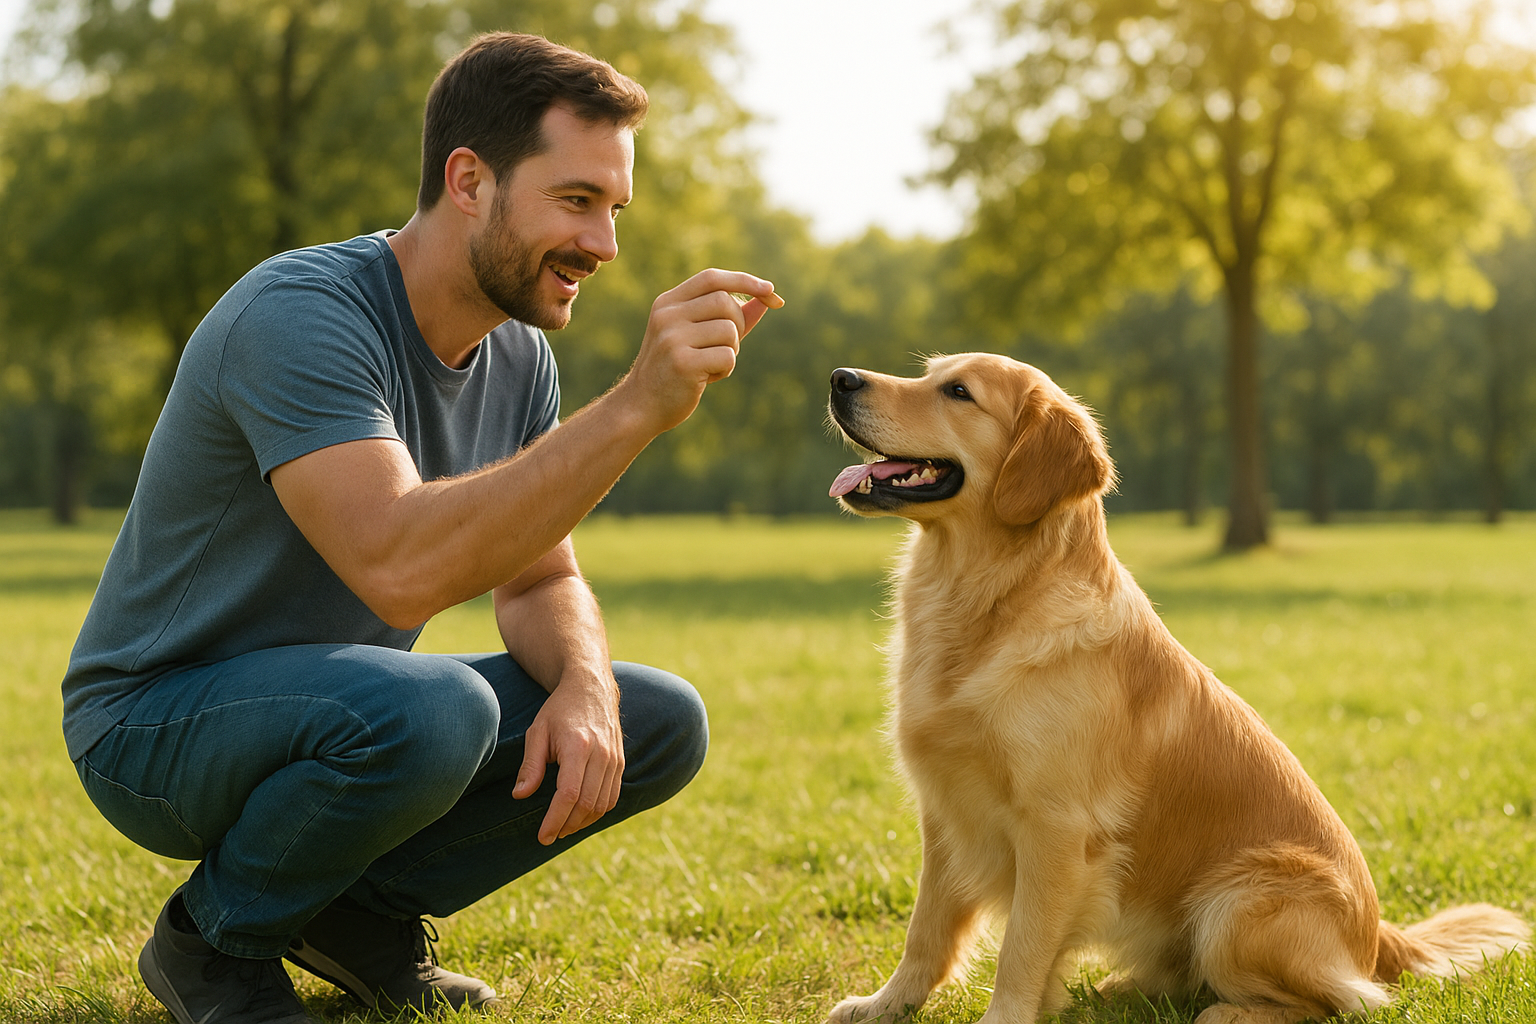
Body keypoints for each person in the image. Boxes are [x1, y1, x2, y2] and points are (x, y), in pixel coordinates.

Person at [61, 31, 782, 1024]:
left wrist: (582, 684)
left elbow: (538, 582)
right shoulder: (302, 314)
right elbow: (395, 567)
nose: (605, 246)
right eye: (575, 201)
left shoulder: (521, 359)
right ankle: (213, 944)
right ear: (470, 180)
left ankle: (357, 916)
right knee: (439, 706)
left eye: (614, 209)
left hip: (337, 713)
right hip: (152, 727)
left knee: (652, 718)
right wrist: (634, 410)